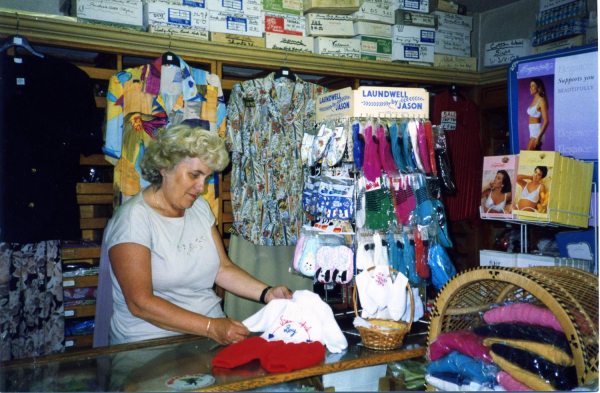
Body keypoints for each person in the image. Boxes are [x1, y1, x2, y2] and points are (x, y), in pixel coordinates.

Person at [103, 124, 293, 346]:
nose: (201, 187)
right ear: (164, 168)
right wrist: (210, 327)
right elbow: (140, 303)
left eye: (207, 177)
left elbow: (222, 269)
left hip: (207, 334)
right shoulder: (133, 219)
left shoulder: (199, 207)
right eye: (194, 175)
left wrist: (268, 293)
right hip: (149, 341)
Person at [526, 78, 549, 151]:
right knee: (533, 160)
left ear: (538, 87)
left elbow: (546, 121)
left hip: (537, 134)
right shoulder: (534, 100)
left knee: (527, 158)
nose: (531, 88)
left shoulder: (541, 101)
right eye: (530, 86)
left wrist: (539, 137)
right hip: (532, 133)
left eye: (533, 86)